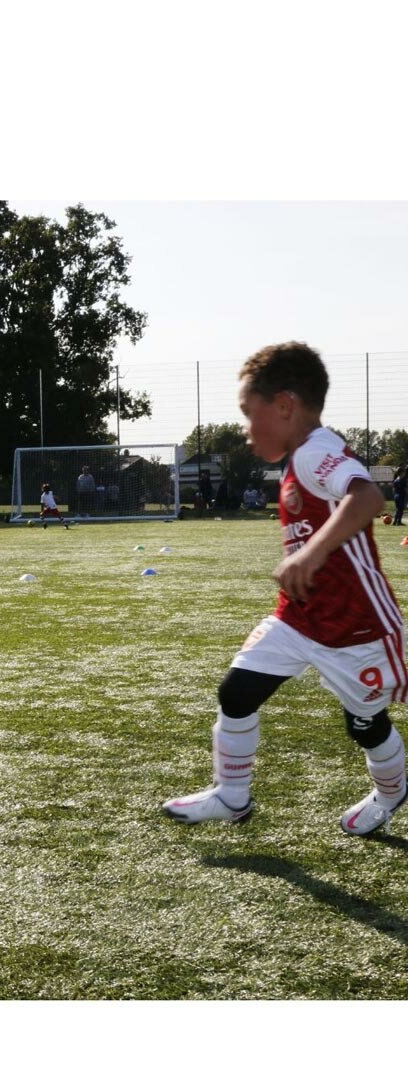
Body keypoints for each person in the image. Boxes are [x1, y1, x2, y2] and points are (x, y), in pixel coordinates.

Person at [163, 341, 406, 836]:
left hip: (354, 626)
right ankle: (233, 797)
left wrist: (309, 553)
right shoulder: (299, 458)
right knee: (237, 692)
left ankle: (392, 790)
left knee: (364, 724)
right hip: (298, 617)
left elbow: (368, 496)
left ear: (285, 405)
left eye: (250, 415)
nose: (247, 431)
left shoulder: (317, 449)